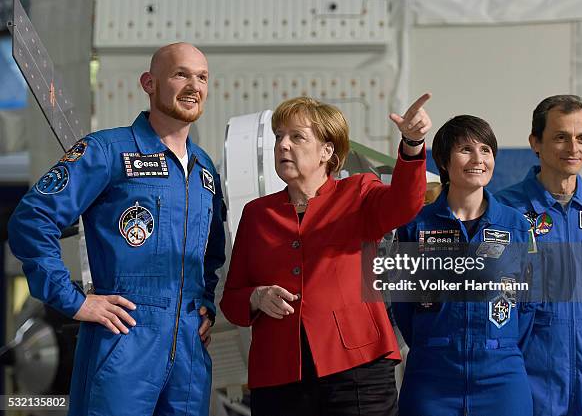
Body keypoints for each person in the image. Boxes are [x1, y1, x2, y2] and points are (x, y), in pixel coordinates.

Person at [8, 42, 225, 416]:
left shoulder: (204, 170)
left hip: (189, 349)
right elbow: (32, 219)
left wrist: (204, 305)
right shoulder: (107, 151)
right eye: (181, 74)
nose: (194, 85)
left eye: (202, 77)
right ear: (149, 83)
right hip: (123, 339)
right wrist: (73, 301)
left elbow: (211, 252)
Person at [220, 94, 431, 415]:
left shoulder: (358, 192)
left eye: (296, 137)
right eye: (279, 137)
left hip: (358, 371)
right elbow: (233, 301)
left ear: (327, 151)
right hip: (279, 378)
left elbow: (405, 203)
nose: (282, 145)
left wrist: (412, 144)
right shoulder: (256, 214)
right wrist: (256, 297)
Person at [392, 115, 534, 416]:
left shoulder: (515, 226)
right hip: (432, 377)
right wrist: (435, 342)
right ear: (443, 160)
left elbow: (528, 304)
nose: (478, 159)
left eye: (485, 149)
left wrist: (499, 344)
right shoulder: (416, 226)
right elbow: (403, 303)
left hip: (502, 376)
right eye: (466, 149)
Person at [496, 95, 582, 416]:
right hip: (533, 379)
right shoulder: (504, 210)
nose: (573, 148)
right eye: (560, 137)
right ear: (535, 142)